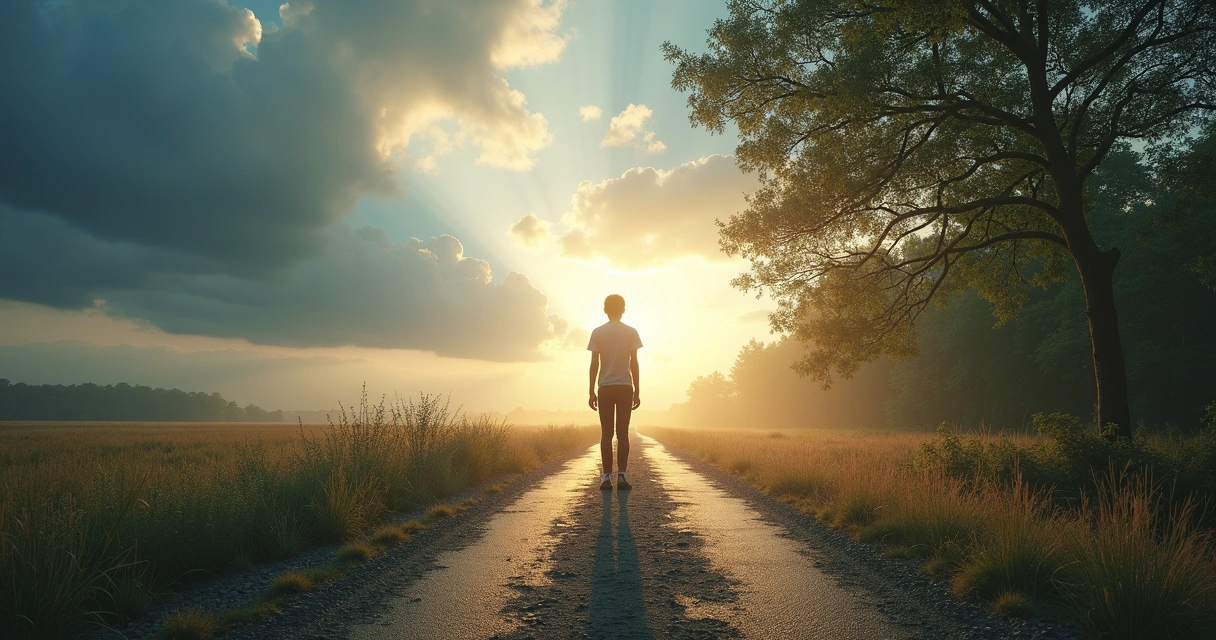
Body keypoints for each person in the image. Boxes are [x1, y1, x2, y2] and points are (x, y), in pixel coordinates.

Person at [587, 294, 642, 490]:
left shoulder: (597, 332)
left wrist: (591, 391)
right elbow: (633, 363)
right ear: (623, 309)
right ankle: (622, 476)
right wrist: (637, 390)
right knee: (623, 432)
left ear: (605, 309)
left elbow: (594, 364)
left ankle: (605, 478)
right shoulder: (631, 332)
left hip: (605, 388)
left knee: (606, 433)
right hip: (625, 387)